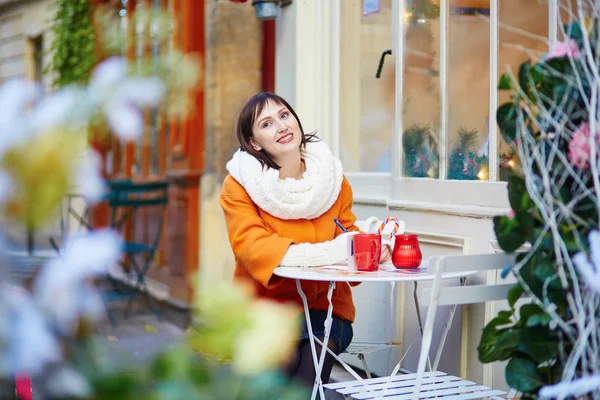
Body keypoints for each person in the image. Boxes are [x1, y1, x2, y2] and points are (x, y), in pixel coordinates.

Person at [220, 92, 390, 387]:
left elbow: (347, 236)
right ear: (254, 142)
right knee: (279, 369)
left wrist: (376, 245)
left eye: (284, 116)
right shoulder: (239, 185)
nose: (282, 126)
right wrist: (335, 251)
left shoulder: (332, 180)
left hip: (327, 310)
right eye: (267, 123)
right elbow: (254, 248)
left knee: (308, 370)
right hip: (266, 311)